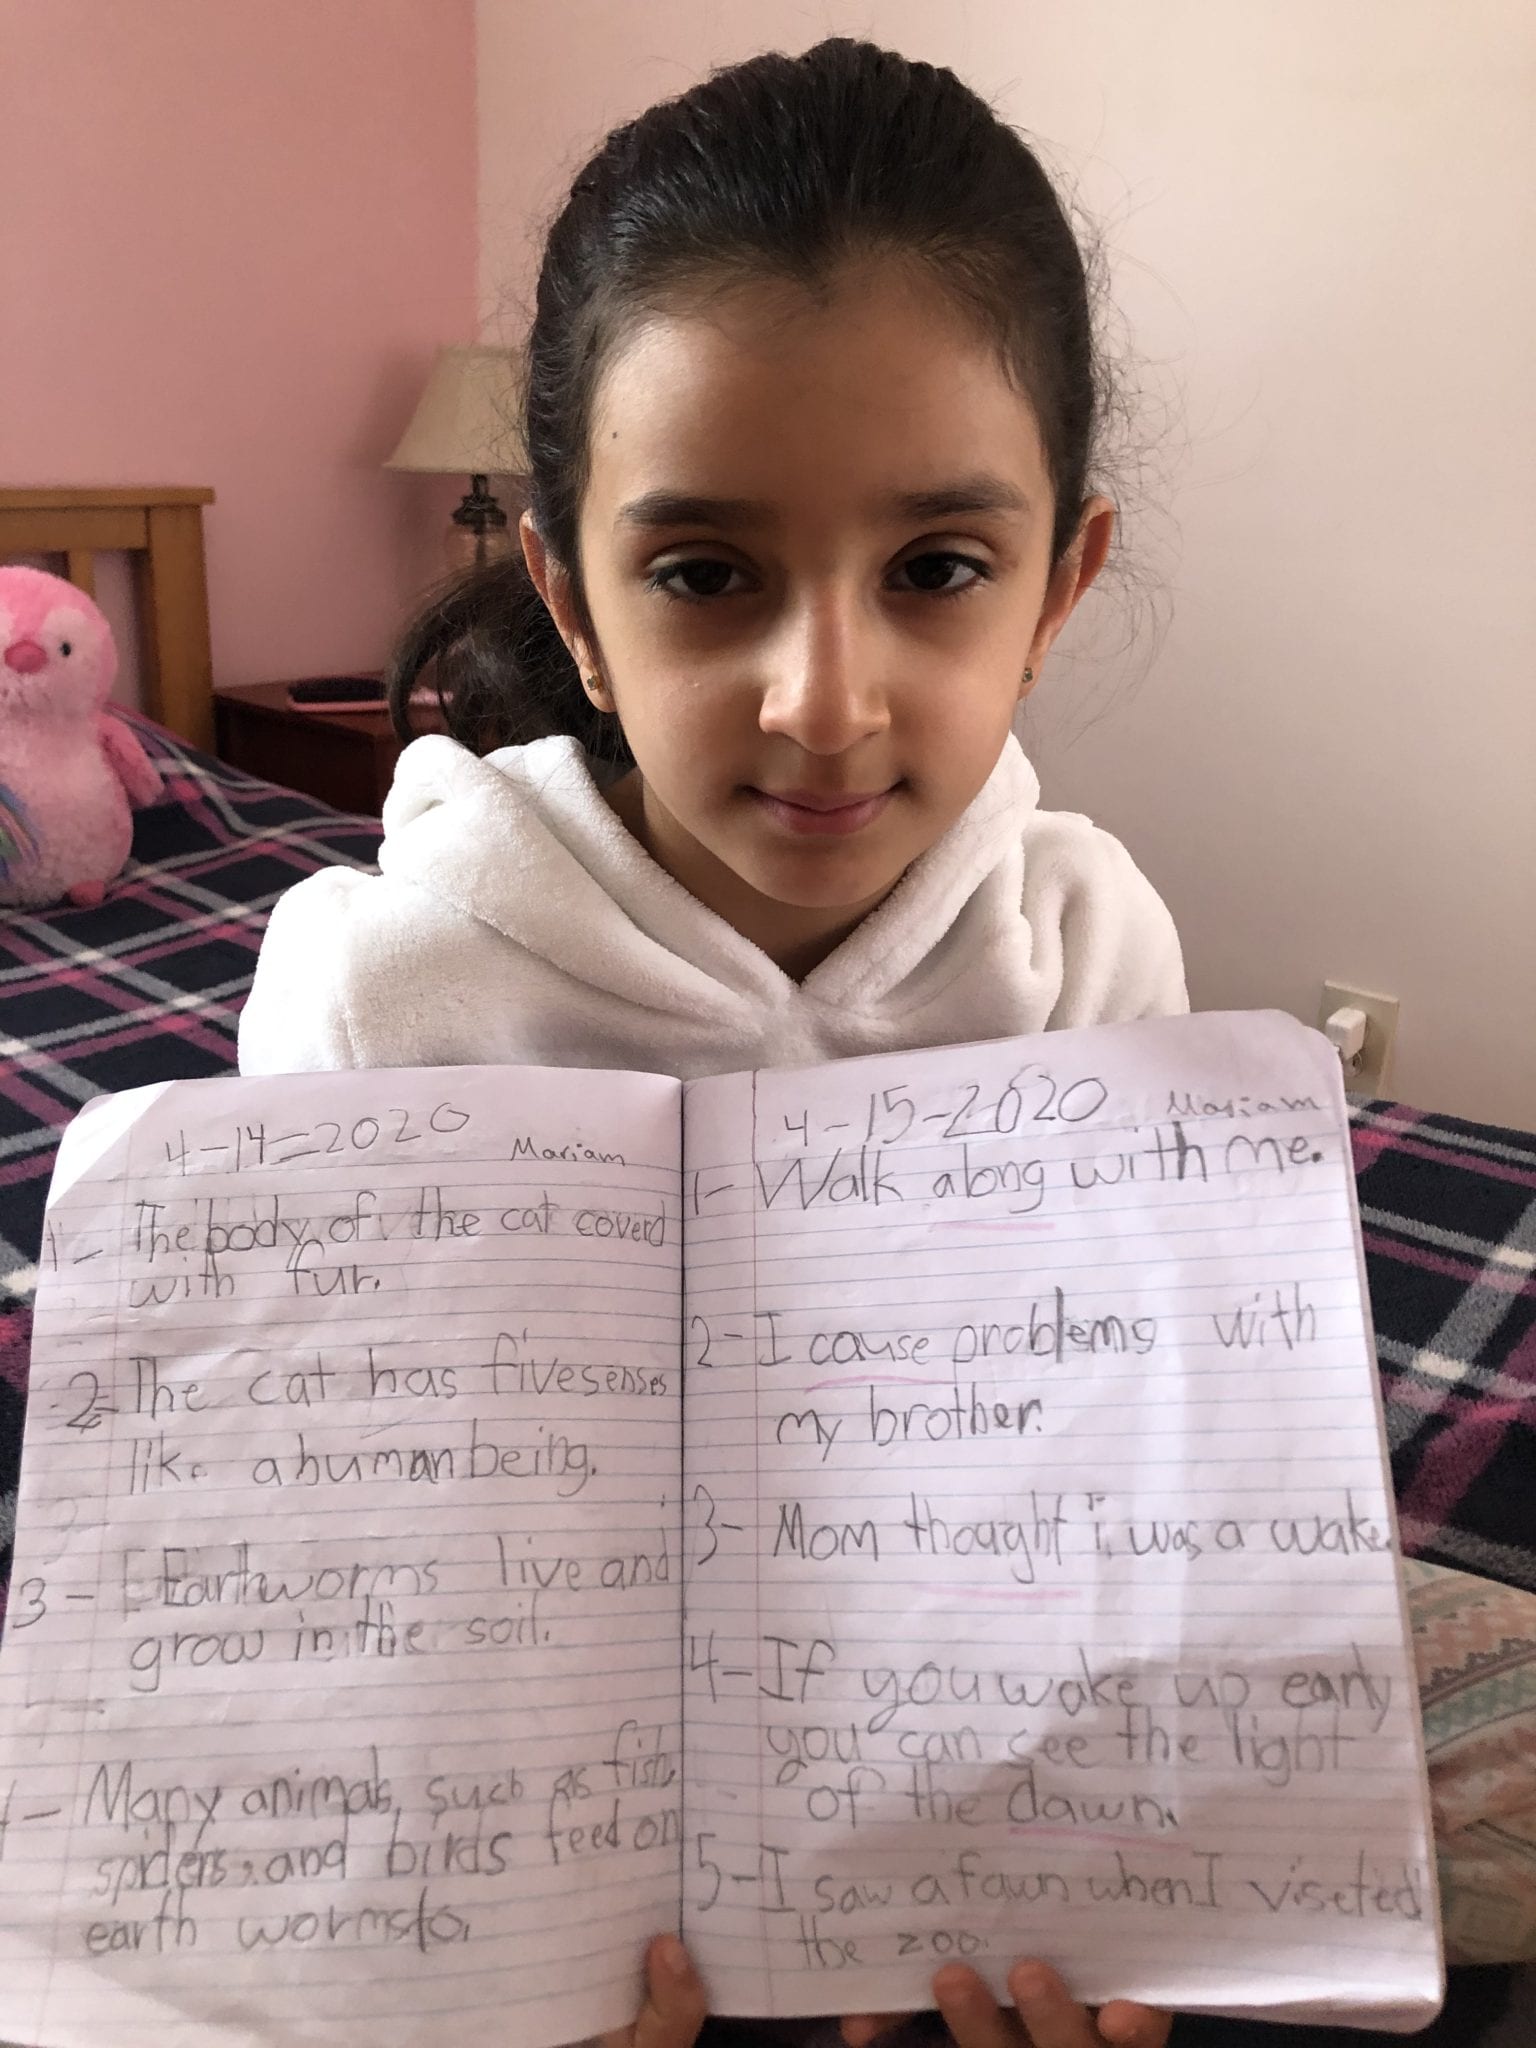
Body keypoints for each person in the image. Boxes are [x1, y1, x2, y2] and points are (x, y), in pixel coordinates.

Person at [240, 35, 1182, 2048]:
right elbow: (335, 1573)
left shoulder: (1093, 949)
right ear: (571, 601)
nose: (824, 703)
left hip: (941, 1826)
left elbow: (1112, 1489)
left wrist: (1099, 1885)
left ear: (1058, 586)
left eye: (938, 569)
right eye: (703, 574)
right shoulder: (382, 992)